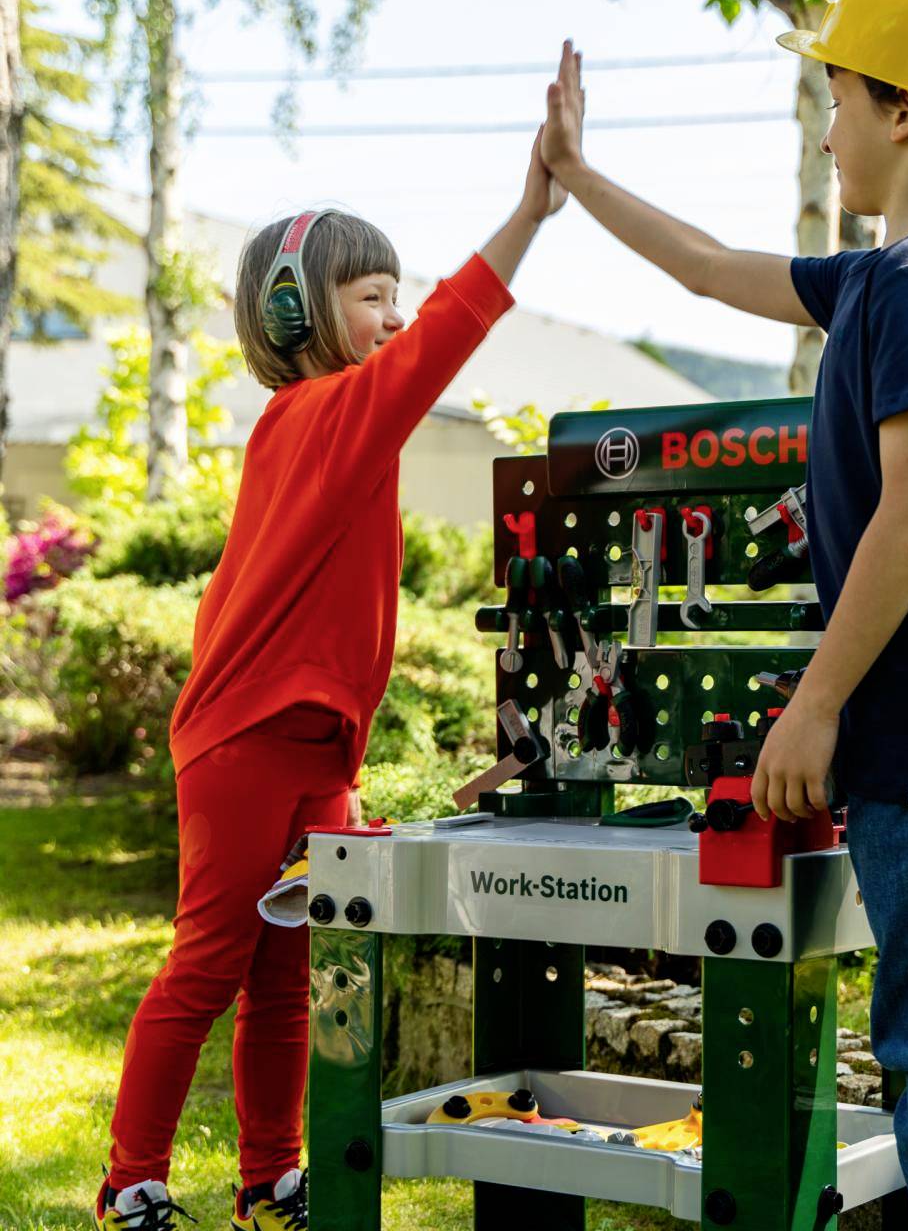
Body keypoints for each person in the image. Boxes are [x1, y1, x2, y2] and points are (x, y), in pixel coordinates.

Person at [538, 0, 908, 1227]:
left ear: (905, 110)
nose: (826, 130)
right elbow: (709, 268)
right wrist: (575, 175)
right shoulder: (887, 276)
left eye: (837, 98)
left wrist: (814, 703)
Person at [94, 131, 566, 1231]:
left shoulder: (338, 424)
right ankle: (129, 1183)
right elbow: (447, 337)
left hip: (314, 749)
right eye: (372, 296)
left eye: (398, 294)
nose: (397, 317)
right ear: (298, 313)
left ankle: (269, 1180)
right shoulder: (323, 413)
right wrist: (527, 216)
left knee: (287, 979)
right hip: (245, 740)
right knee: (207, 965)